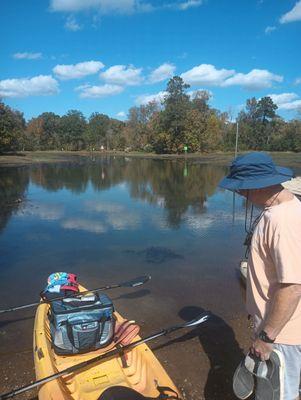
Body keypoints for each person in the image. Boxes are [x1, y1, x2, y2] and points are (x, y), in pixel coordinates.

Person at [219, 152, 301, 400]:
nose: (239, 193)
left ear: (261, 184)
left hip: (283, 335)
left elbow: (294, 286)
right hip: (274, 326)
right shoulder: (278, 210)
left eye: (242, 188)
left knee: (278, 394)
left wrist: (267, 338)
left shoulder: (284, 221)